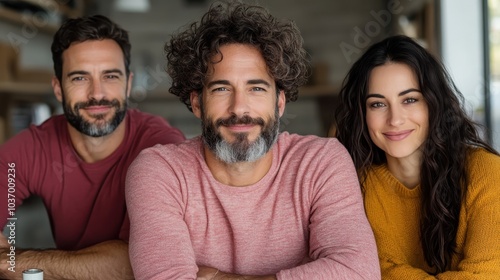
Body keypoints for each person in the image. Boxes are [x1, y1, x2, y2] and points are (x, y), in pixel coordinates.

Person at [125, 2, 380, 279]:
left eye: (256, 88)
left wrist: (217, 277)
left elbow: (359, 272)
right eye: (222, 88)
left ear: (279, 102)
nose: (239, 108)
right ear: (197, 103)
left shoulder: (321, 162)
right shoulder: (160, 171)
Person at [0, 15, 185, 279]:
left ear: (128, 84)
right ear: (58, 89)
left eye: (110, 76)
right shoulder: (33, 147)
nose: (97, 93)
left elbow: (135, 263)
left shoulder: (162, 147)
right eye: (79, 78)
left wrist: (13, 261)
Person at [335, 35, 500, 278]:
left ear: (434, 104)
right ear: (362, 114)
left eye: (410, 99)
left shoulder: (487, 172)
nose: (395, 119)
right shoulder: (354, 187)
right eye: (377, 104)